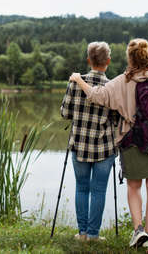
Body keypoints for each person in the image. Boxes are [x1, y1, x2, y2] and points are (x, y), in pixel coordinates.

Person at [69, 38, 148, 248]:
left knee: (134, 186)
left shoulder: (123, 81)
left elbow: (96, 96)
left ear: (129, 58)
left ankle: (138, 231)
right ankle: (147, 235)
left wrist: (78, 80)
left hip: (133, 141)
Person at [60, 41, 120, 241]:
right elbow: (117, 118)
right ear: (108, 61)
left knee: (81, 187)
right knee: (99, 190)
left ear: (88, 60)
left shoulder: (75, 83)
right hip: (105, 147)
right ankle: (94, 234)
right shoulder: (113, 87)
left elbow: (65, 113)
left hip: (80, 145)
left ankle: (82, 233)